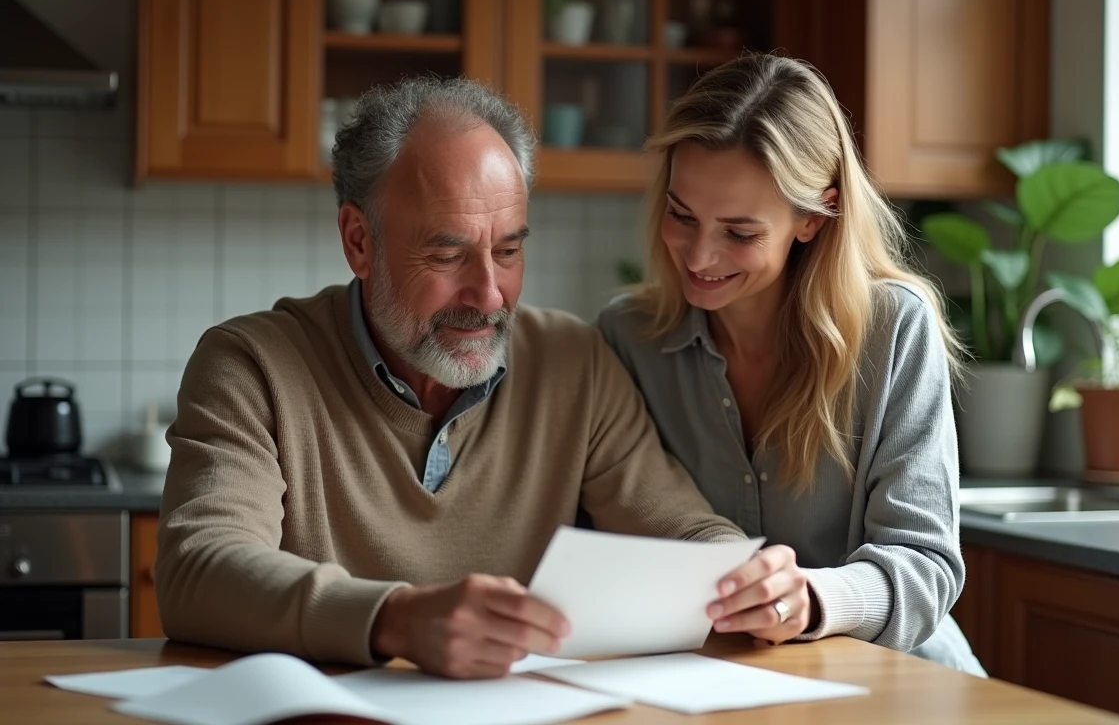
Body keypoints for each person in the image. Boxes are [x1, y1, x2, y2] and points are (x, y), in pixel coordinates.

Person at [155, 76, 803, 679]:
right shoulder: (251, 366)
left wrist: (744, 571)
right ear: (359, 241)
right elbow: (198, 571)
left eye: (510, 251)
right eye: (447, 253)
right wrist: (396, 620)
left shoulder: (573, 362)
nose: (490, 295)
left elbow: (677, 525)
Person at [596, 54, 985, 675]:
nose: (699, 255)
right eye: (682, 215)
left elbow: (926, 568)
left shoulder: (892, 328)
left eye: (740, 232)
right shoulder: (628, 337)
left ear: (812, 216)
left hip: (902, 686)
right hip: (715, 686)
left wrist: (809, 600)